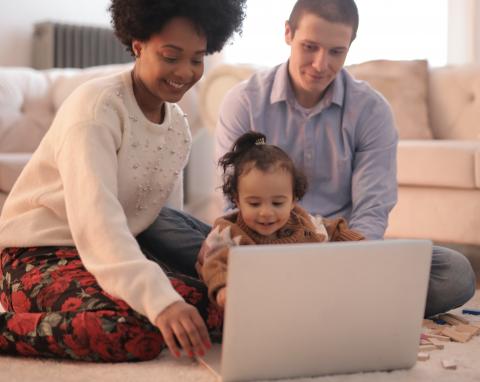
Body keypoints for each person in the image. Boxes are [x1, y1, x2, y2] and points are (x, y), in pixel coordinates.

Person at [0, 0, 246, 362]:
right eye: (170, 55)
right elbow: (97, 223)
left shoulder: (177, 126)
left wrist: (191, 273)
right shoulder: (97, 108)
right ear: (138, 44)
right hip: (36, 257)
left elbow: (161, 219)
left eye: (196, 59)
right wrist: (162, 304)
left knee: (227, 308)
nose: (185, 71)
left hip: (107, 255)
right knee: (136, 329)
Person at [215, 0, 476, 317]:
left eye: (336, 52)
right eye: (310, 47)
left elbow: (372, 207)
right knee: (180, 236)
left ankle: (299, 303)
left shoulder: (371, 110)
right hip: (261, 245)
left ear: (350, 46)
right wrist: (265, 260)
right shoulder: (244, 102)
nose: (320, 64)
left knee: (455, 273)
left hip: (340, 248)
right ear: (288, 33)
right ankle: (339, 306)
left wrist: (348, 263)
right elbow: (233, 201)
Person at [196, 131, 363, 307]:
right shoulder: (228, 232)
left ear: (293, 201)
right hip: (250, 303)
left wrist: (360, 244)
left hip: (299, 299)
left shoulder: (303, 223)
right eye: (254, 203)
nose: (266, 212)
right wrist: (223, 287)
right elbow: (214, 263)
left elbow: (333, 229)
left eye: (277, 203)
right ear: (237, 200)